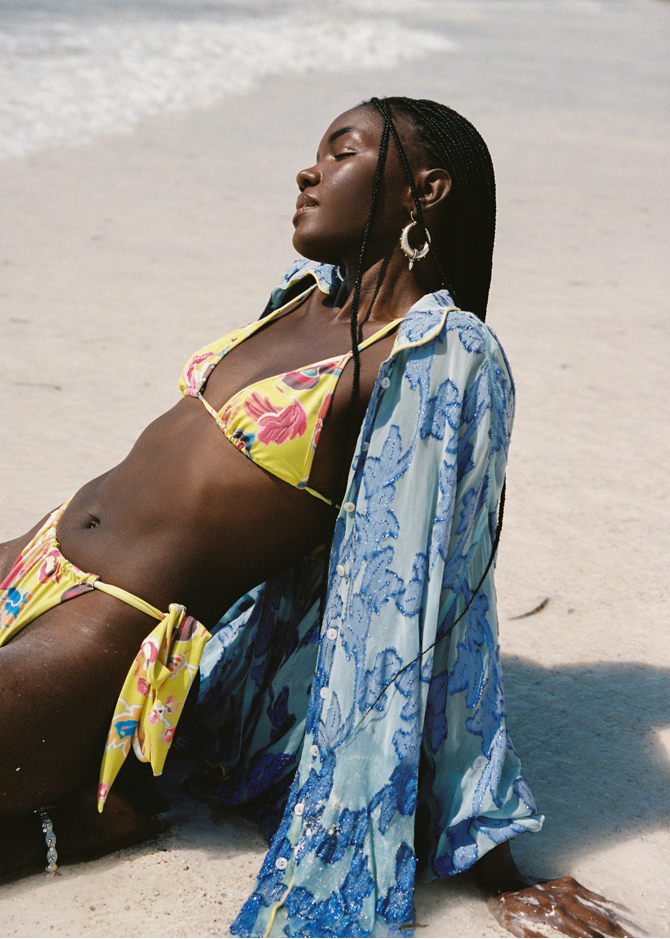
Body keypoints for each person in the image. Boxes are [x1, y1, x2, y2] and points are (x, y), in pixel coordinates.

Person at [0, 97, 628, 938]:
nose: (309, 171)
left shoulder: (435, 353)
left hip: (102, 637)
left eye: (342, 152)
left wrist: (490, 863)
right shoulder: (300, 299)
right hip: (30, 553)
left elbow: (431, 603)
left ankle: (66, 828)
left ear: (424, 192)